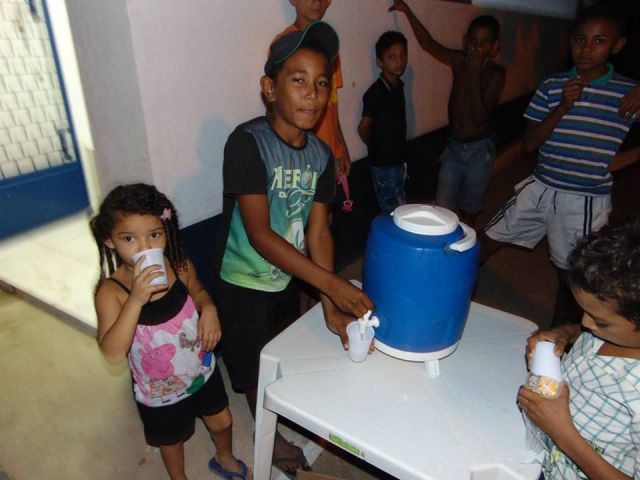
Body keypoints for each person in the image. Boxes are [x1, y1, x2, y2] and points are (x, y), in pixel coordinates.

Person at [215, 21, 374, 479]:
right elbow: (260, 234)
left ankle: (281, 401)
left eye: (321, 83)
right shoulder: (247, 143)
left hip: (289, 275)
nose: (312, 94)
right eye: (298, 80)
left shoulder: (321, 156)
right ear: (270, 88)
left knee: (279, 351)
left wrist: (328, 302)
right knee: (251, 366)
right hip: (242, 281)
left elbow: (319, 232)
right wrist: (332, 285)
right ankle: (269, 433)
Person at [482, 4, 639, 328]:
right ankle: (452, 289)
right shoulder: (553, 85)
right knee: (488, 239)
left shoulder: (628, 93)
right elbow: (529, 143)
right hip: (541, 185)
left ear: (617, 45)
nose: (586, 49)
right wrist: (563, 107)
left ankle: (561, 334)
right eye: (580, 40)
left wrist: (629, 157)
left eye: (599, 41)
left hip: (585, 198)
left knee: (574, 273)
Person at [91, 184, 251, 480]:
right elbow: (112, 353)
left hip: (201, 369)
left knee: (223, 421)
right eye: (129, 238)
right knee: (172, 441)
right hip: (159, 390)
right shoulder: (111, 293)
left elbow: (199, 293)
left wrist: (209, 309)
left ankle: (224, 456)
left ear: (166, 231)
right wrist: (136, 299)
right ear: (110, 241)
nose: (145, 248)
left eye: (154, 234)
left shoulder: (179, 265)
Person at [517, 213, 640, 480]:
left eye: (600, 321)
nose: (585, 322)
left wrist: (562, 433)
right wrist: (566, 333)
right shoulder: (616, 333)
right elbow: (588, 329)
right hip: (545, 457)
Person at [389, 0, 506, 227]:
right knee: (443, 202)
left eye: (483, 43)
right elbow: (428, 43)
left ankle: (468, 236)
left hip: (479, 148)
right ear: (465, 40)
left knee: (471, 204)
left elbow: (480, 117)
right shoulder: (459, 60)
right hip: (454, 145)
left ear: (494, 47)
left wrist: (475, 74)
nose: (476, 47)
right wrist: (407, 11)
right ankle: (446, 238)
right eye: (472, 40)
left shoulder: (496, 74)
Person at [273, 0, 351, 179]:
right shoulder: (285, 45)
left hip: (330, 155)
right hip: (301, 160)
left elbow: (331, 103)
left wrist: (340, 147)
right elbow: (278, 110)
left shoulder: (328, 48)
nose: (317, 2)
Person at [358, 30, 409, 214]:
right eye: (392, 57)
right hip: (384, 163)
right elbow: (363, 127)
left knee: (399, 204)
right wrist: (375, 146)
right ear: (380, 62)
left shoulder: (398, 86)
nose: (399, 61)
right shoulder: (376, 92)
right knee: (393, 210)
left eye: (402, 56)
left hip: (397, 158)